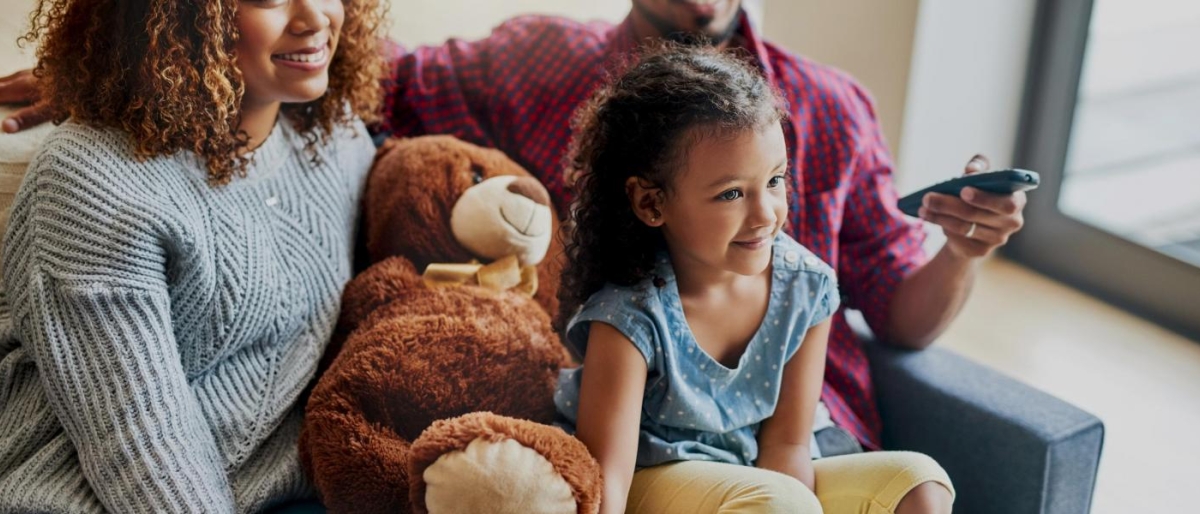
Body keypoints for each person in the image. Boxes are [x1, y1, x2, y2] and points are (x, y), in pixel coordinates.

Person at [1, 0, 1029, 464]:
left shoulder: (829, 104)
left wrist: (963, 251)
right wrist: (126, 65)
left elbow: (899, 306)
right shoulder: (534, 64)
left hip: (804, 427)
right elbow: (354, 92)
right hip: (613, 424)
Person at [0, 0, 384, 511]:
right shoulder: (93, 177)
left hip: (272, 493)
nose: (315, 19)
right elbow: (141, 450)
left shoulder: (337, 138)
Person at [553, 42, 953, 514]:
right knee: (777, 503)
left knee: (919, 484)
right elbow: (607, 482)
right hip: (656, 477)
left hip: (760, 478)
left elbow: (787, 447)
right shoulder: (629, 317)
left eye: (775, 181)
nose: (765, 214)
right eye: (730, 194)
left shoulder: (807, 288)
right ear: (651, 203)